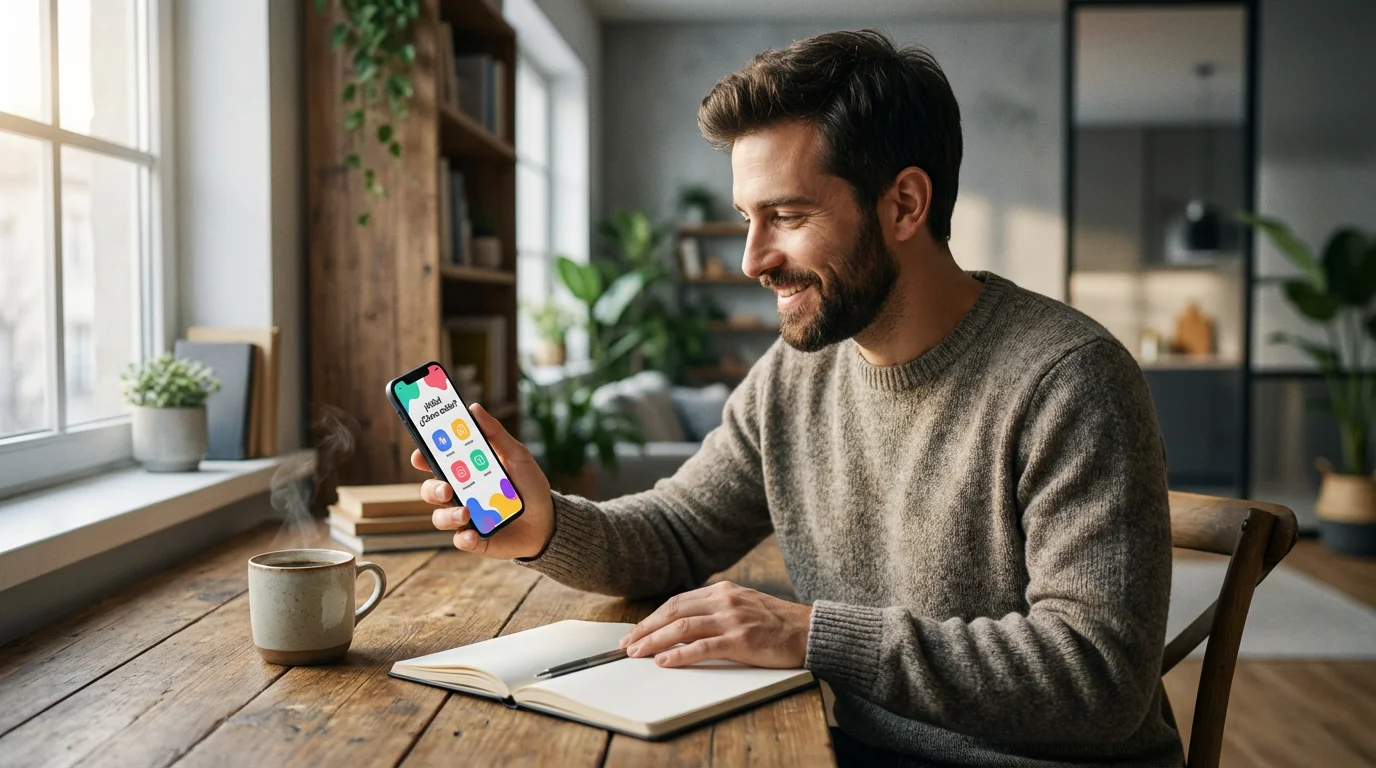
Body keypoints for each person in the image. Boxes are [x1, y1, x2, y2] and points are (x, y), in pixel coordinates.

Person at [414, 29, 1183, 768]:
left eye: (787, 216)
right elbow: (681, 531)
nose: (754, 259)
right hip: (855, 749)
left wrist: (813, 634)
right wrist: (549, 527)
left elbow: (1100, 677)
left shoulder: (1070, 379)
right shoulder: (796, 373)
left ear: (905, 205)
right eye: (749, 218)